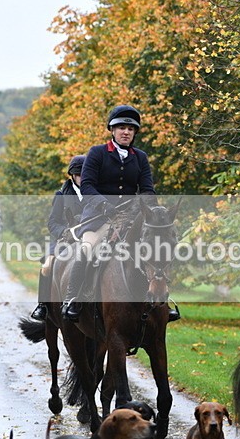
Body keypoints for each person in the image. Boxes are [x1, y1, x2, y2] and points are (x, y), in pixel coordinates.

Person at [61, 104, 180, 322]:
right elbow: (87, 185)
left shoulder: (140, 157)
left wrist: (151, 211)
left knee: (157, 249)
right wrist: (104, 205)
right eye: (121, 127)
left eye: (130, 129)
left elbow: (146, 190)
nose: (126, 132)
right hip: (99, 217)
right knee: (87, 250)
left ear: (134, 133)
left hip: (132, 217)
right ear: (112, 130)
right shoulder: (97, 153)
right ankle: (73, 299)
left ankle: (162, 302)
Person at [30, 155, 86, 321]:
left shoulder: (95, 194)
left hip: (88, 236)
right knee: (47, 265)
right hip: (64, 239)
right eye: (79, 175)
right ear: (73, 176)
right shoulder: (61, 195)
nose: (83, 178)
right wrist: (65, 232)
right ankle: (43, 306)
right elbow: (52, 223)